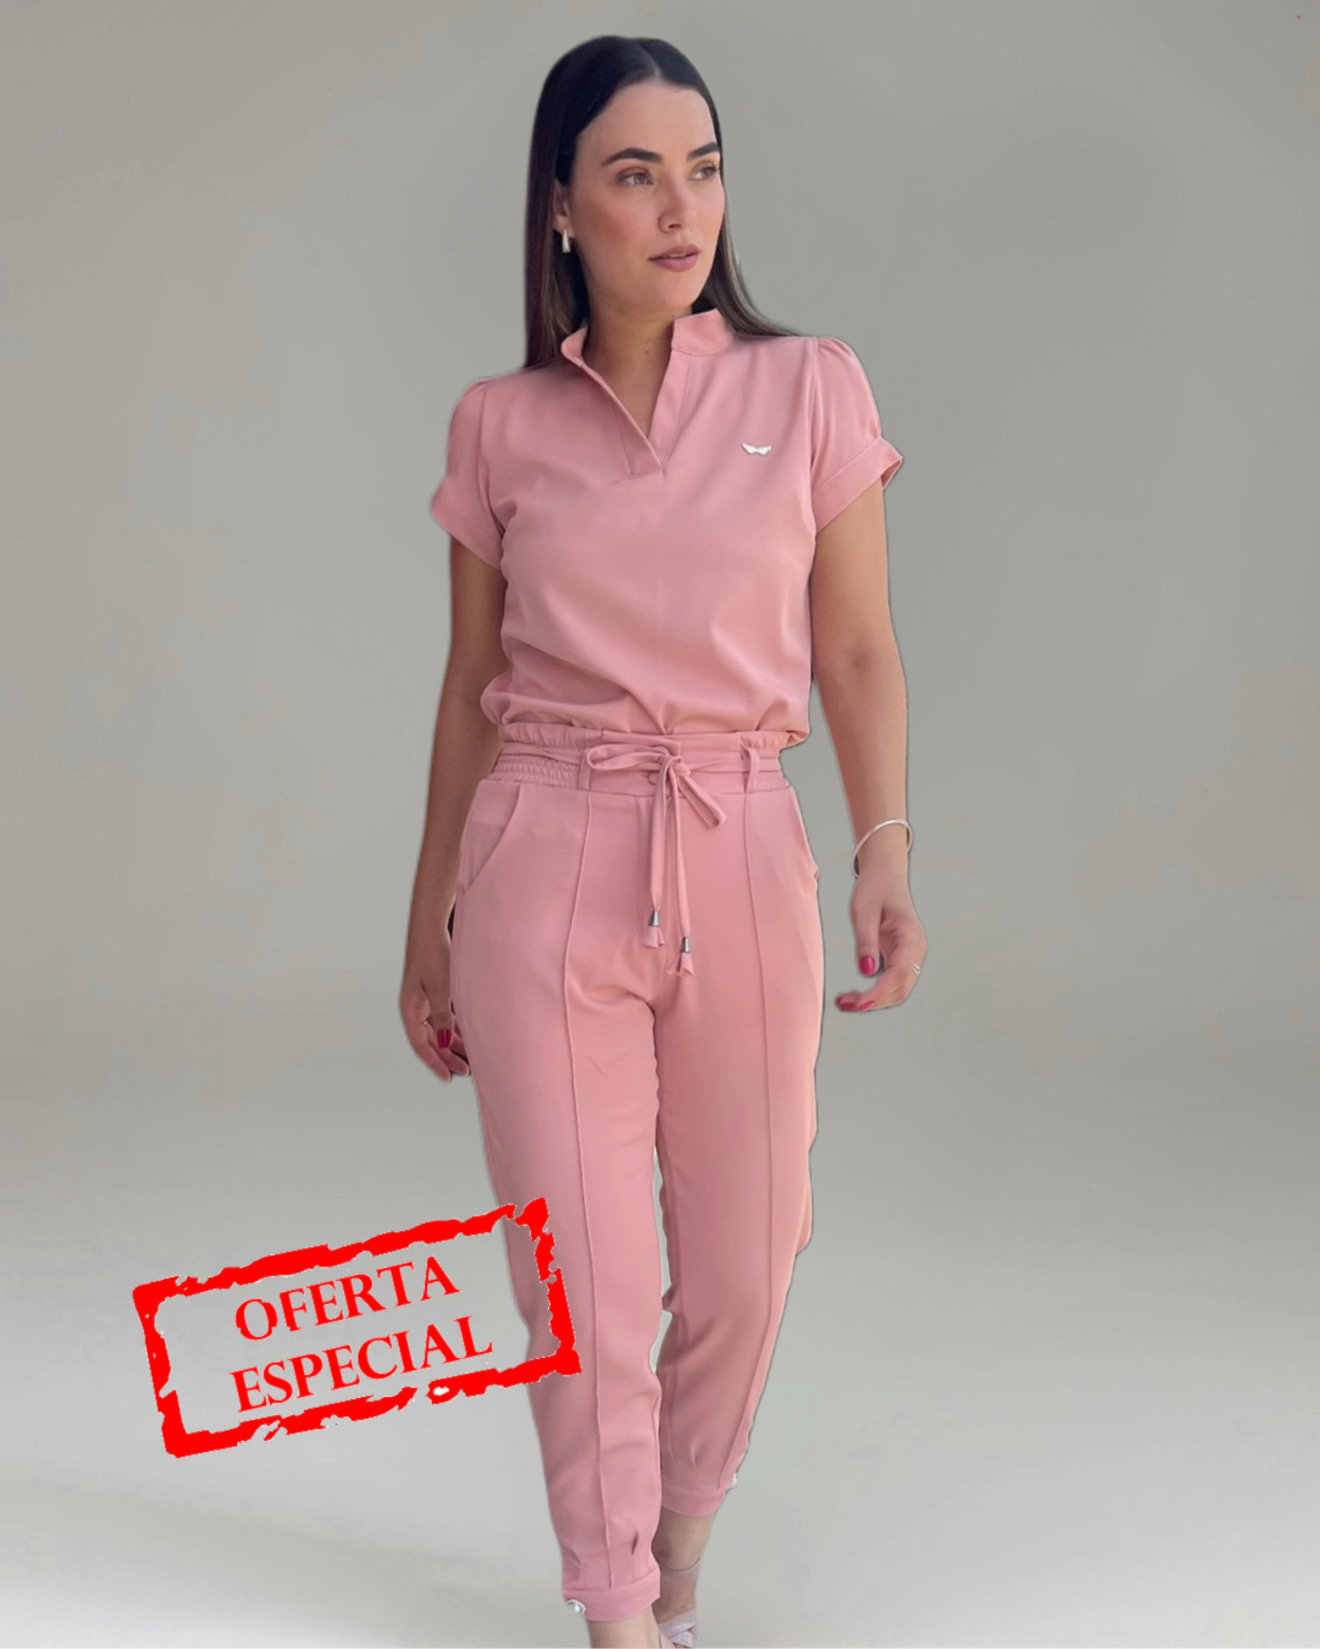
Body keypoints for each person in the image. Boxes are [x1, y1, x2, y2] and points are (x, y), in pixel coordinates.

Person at [400, 34, 927, 1649]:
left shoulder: (809, 387)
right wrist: (426, 924)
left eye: (702, 170)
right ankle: (618, 1605)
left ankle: (680, 1514)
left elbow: (855, 648)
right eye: (635, 175)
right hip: (545, 849)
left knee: (752, 1256)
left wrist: (884, 843)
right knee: (585, 1274)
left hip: (740, 841)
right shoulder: (500, 424)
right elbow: (470, 687)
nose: (680, 208)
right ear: (562, 207)